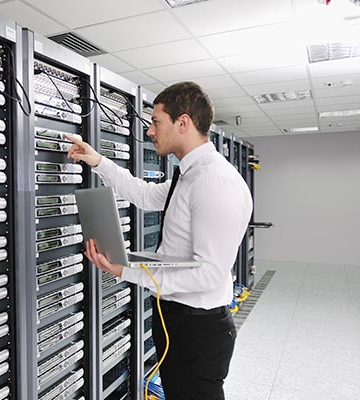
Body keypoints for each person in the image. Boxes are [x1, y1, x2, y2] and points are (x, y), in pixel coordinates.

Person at [65, 82, 252, 400]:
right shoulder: (190, 175)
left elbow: (209, 274)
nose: (150, 131)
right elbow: (144, 194)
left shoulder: (214, 181)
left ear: (183, 123)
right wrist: (97, 161)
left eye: (156, 122)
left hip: (198, 328)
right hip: (178, 318)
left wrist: (125, 271)